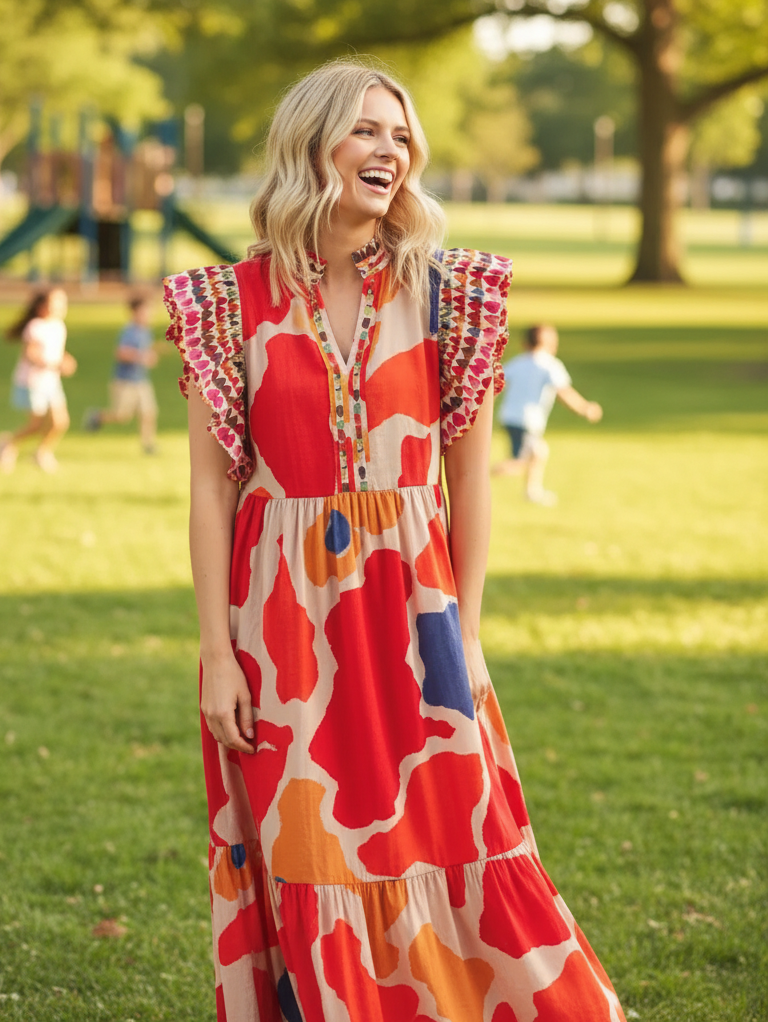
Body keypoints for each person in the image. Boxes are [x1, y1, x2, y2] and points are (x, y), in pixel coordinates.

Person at [163, 61, 626, 1022]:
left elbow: (467, 476)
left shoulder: (450, 294)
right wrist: (217, 653)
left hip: (421, 615)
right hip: (282, 625)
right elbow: (212, 487)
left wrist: (470, 629)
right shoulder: (229, 302)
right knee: (310, 852)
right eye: (367, 130)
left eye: (401, 135)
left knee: (460, 831)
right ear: (313, 142)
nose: (391, 150)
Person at [493, 324, 603, 506]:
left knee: (535, 454)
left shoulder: (517, 362)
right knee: (525, 459)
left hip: (510, 417)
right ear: (552, 344)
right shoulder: (550, 365)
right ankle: (484, 476)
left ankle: (531, 491)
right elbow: (564, 392)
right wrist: (585, 408)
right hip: (527, 420)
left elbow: (496, 383)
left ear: (525, 343)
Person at [0, 286, 76, 474]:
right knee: (36, 424)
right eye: (56, 304)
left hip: (51, 382)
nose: (61, 307)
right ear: (42, 307)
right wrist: (54, 364)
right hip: (32, 382)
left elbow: (55, 351)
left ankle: (42, 452)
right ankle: (8, 443)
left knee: (60, 422)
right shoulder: (35, 327)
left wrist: (65, 360)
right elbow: (30, 354)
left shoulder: (58, 326)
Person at [83, 294, 159, 453]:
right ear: (134, 312)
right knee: (121, 416)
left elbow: (144, 353)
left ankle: (148, 445)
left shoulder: (146, 331)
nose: (147, 315)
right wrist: (141, 357)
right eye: (144, 311)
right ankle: (96, 417)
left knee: (148, 412)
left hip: (141, 380)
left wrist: (149, 356)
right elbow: (121, 353)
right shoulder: (129, 332)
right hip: (125, 381)